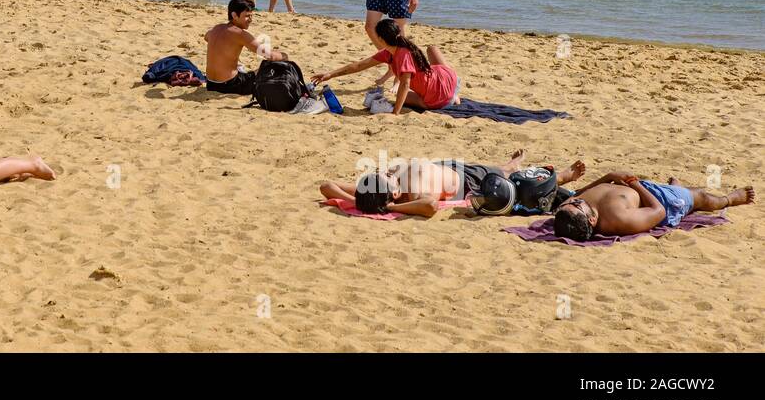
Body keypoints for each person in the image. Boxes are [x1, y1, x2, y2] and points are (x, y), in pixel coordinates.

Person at [319, 151, 587, 218]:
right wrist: (378, 204)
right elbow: (327, 186)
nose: (386, 171)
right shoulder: (400, 190)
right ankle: (514, 166)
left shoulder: (397, 186)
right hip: (454, 174)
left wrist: (371, 203)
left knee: (507, 175)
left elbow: (327, 185)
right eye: (385, 175)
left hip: (455, 172)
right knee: (507, 177)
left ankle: (513, 165)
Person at [312, 17, 459, 114]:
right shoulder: (391, 51)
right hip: (448, 80)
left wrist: (395, 112)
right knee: (432, 49)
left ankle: (452, 96)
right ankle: (453, 93)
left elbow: (405, 84)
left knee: (402, 97)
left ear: (381, 39)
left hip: (433, 100)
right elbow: (358, 66)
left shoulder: (402, 54)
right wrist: (330, 74)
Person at [553, 172, 754, 241]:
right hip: (661, 200)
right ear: (592, 220)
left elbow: (576, 193)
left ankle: (675, 187)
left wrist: (611, 176)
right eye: (577, 204)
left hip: (639, 188)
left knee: (679, 191)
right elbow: (659, 212)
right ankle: (729, 199)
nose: (576, 200)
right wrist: (633, 182)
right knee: (700, 197)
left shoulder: (567, 208)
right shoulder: (618, 219)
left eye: (571, 203)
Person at [203, 0, 288, 95]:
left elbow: (206, 37)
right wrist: (284, 56)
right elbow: (270, 55)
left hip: (211, 84)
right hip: (230, 85)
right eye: (247, 16)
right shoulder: (240, 34)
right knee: (274, 63)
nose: (251, 20)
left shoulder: (216, 28)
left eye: (252, 16)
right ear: (234, 15)